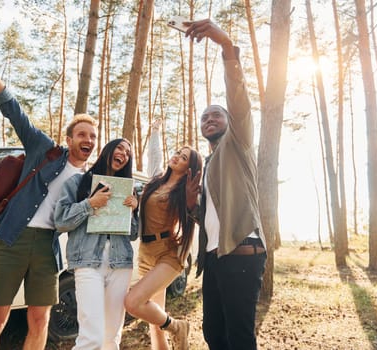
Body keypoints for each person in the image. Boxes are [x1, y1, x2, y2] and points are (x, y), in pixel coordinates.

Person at [0, 33, 98, 350]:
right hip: (13, 238)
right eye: (82, 133)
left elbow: (88, 219)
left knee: (40, 323)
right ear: (69, 139)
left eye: (93, 136)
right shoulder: (43, 150)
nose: (89, 139)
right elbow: (12, 109)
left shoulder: (90, 181)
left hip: (48, 250)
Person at [185, 19, 268, 350]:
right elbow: (210, 220)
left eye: (215, 114)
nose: (209, 119)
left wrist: (226, 47)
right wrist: (193, 206)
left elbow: (238, 99)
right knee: (214, 337)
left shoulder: (239, 143)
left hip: (242, 252)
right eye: (204, 117)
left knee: (239, 339)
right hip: (214, 259)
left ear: (228, 121)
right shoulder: (207, 165)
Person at [124, 119, 202, 350]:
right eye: (178, 152)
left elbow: (197, 212)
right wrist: (155, 132)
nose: (177, 156)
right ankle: (172, 328)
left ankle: (178, 327)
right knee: (154, 323)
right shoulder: (156, 180)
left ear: (190, 169)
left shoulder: (185, 191)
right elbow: (155, 157)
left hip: (167, 255)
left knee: (133, 302)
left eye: (184, 157)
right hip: (146, 253)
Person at [54, 138, 138, 350]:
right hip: (88, 263)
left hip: (121, 264)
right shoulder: (77, 182)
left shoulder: (128, 190)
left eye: (128, 153)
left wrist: (134, 211)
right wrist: (89, 204)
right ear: (108, 150)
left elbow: (134, 234)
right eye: (120, 148)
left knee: (111, 338)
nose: (123, 154)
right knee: (91, 337)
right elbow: (61, 221)